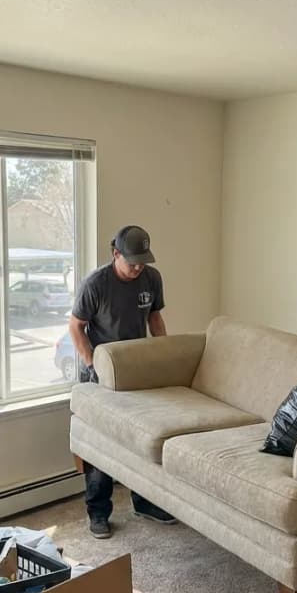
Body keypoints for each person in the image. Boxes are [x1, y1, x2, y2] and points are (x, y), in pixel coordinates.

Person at [69, 225, 178, 539]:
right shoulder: (96, 284)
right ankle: (98, 513)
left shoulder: (151, 278)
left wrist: (165, 352)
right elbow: (76, 327)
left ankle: (145, 502)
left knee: (142, 438)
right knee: (100, 444)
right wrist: (93, 364)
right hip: (101, 371)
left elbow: (154, 317)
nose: (138, 267)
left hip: (137, 368)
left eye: (142, 261)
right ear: (116, 253)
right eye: (132, 261)